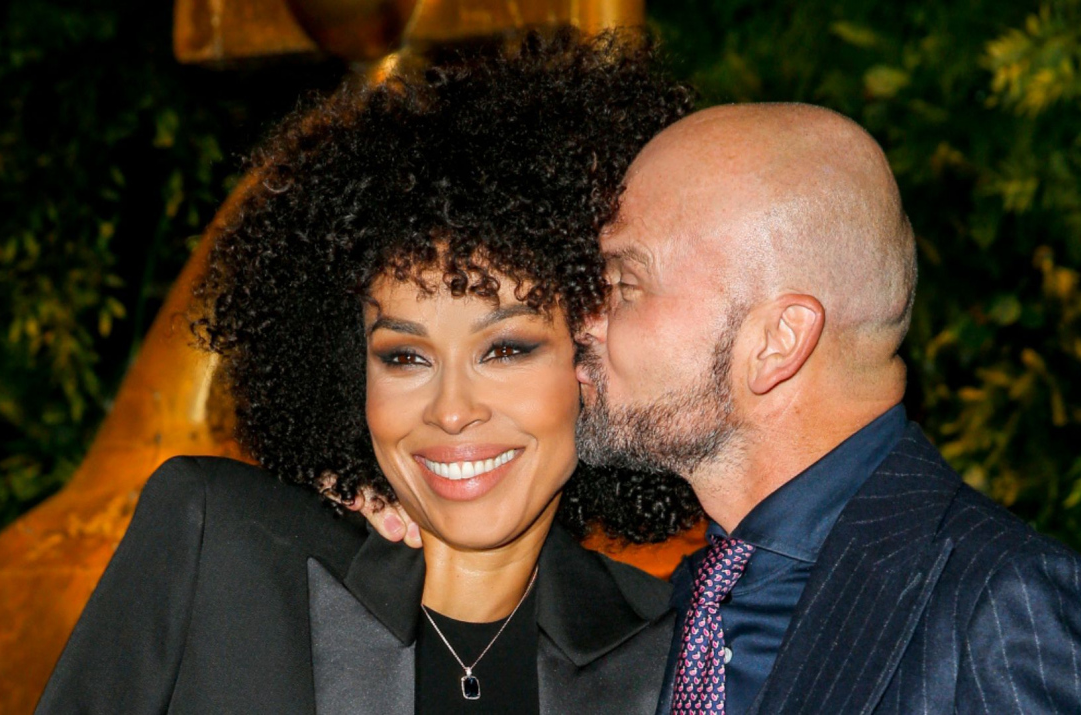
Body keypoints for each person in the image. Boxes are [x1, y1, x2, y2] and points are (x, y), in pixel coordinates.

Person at [367, 103, 1081, 713]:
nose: (582, 321)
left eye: (623, 284)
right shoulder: (672, 609)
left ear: (776, 341)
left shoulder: (1009, 612)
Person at [34, 28, 703, 714]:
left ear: (590, 359)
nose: (451, 409)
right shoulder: (223, 545)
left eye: (505, 350)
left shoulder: (672, 646)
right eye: (405, 357)